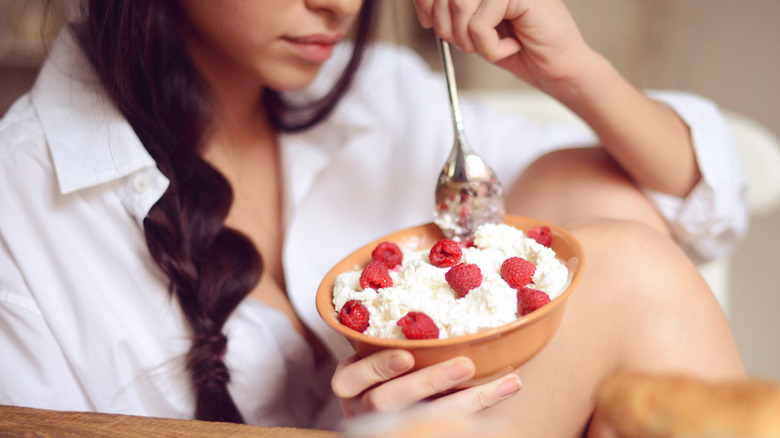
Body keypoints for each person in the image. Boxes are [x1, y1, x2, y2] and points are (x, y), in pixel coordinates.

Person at [0, 0, 747, 436]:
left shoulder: (384, 99)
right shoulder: (22, 205)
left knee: (600, 204)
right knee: (630, 271)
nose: (339, 3)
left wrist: (574, 71)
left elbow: (704, 199)